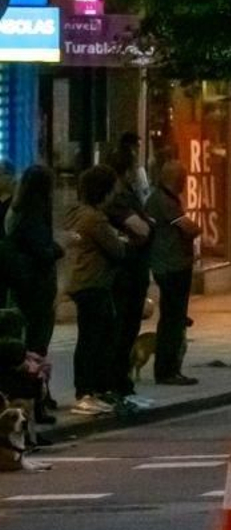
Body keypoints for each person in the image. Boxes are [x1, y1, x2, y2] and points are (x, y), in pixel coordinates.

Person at [64, 166, 127, 415]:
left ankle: (93, 390)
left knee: (93, 337)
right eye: (112, 189)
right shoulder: (95, 218)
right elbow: (117, 251)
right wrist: (122, 240)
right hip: (94, 283)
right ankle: (86, 392)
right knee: (94, 339)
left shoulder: (78, 214)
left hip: (84, 282)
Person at [5, 166, 63, 417]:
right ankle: (34, 401)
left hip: (24, 287)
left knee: (29, 346)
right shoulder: (33, 216)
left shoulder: (17, 213)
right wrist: (60, 248)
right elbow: (43, 251)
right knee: (36, 347)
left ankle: (36, 398)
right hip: (36, 288)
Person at [145, 158, 200, 386]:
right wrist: (195, 229)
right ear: (174, 179)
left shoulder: (164, 199)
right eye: (183, 179)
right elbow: (188, 227)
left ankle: (169, 368)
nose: (185, 183)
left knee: (174, 317)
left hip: (172, 264)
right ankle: (167, 370)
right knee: (172, 319)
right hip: (171, 266)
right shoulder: (164, 201)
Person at [106, 148, 153, 400]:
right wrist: (146, 225)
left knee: (127, 328)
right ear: (125, 172)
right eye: (135, 168)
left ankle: (120, 380)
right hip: (127, 273)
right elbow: (141, 228)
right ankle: (117, 380)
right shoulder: (119, 198)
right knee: (122, 330)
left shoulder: (127, 195)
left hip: (133, 271)